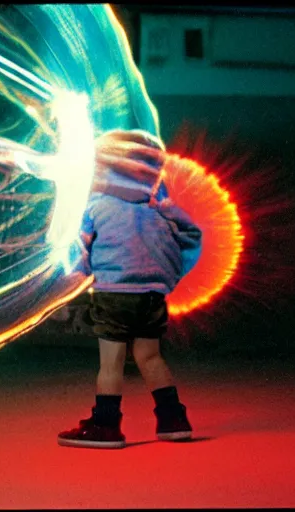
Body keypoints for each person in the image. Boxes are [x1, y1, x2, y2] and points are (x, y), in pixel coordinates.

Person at [57, 129, 202, 449]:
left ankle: (106, 426)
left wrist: (78, 276)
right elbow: (189, 240)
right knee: (150, 357)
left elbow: (79, 249)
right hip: (152, 295)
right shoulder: (157, 210)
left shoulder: (95, 205)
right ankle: (173, 420)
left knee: (111, 362)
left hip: (113, 293)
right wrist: (169, 278)